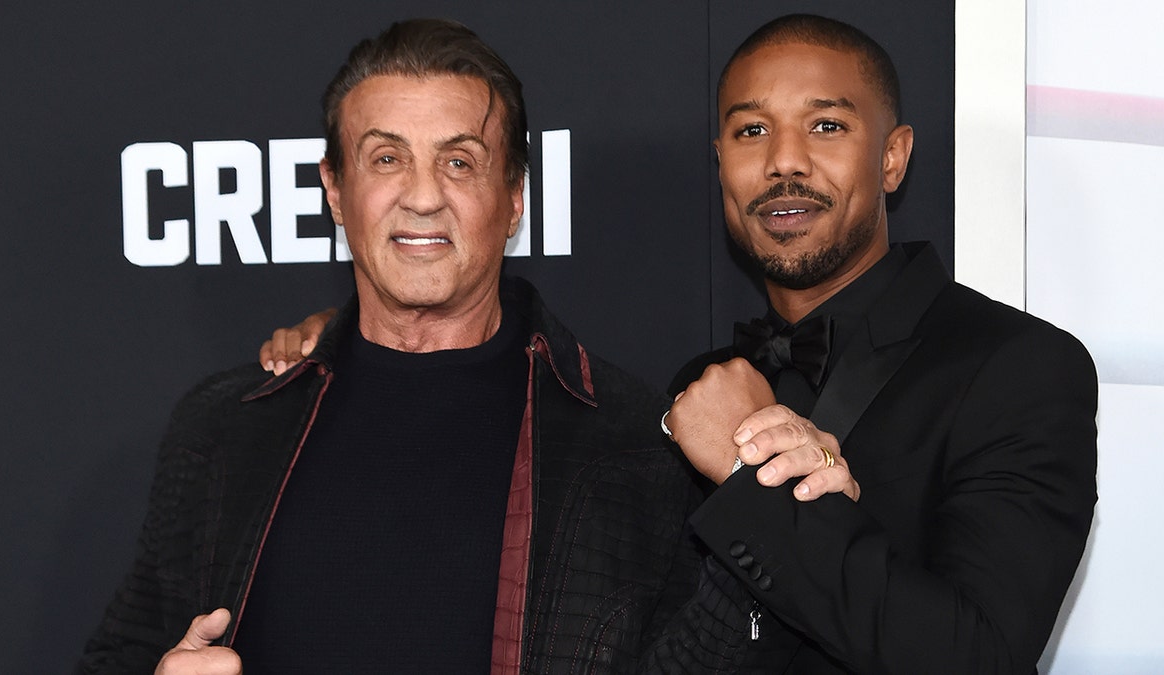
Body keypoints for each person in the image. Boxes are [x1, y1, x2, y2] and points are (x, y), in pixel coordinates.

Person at [265, 13, 1098, 675]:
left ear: (893, 157)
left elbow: (977, 658)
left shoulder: (1020, 366)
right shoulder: (695, 387)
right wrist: (360, 346)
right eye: (749, 133)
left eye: (828, 125)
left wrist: (754, 485)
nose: (784, 164)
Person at [79, 18, 856, 674]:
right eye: (386, 158)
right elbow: (118, 652)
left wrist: (771, 520)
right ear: (334, 190)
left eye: (459, 160)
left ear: (514, 196)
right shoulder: (223, 427)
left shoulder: (629, 438)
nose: (422, 194)